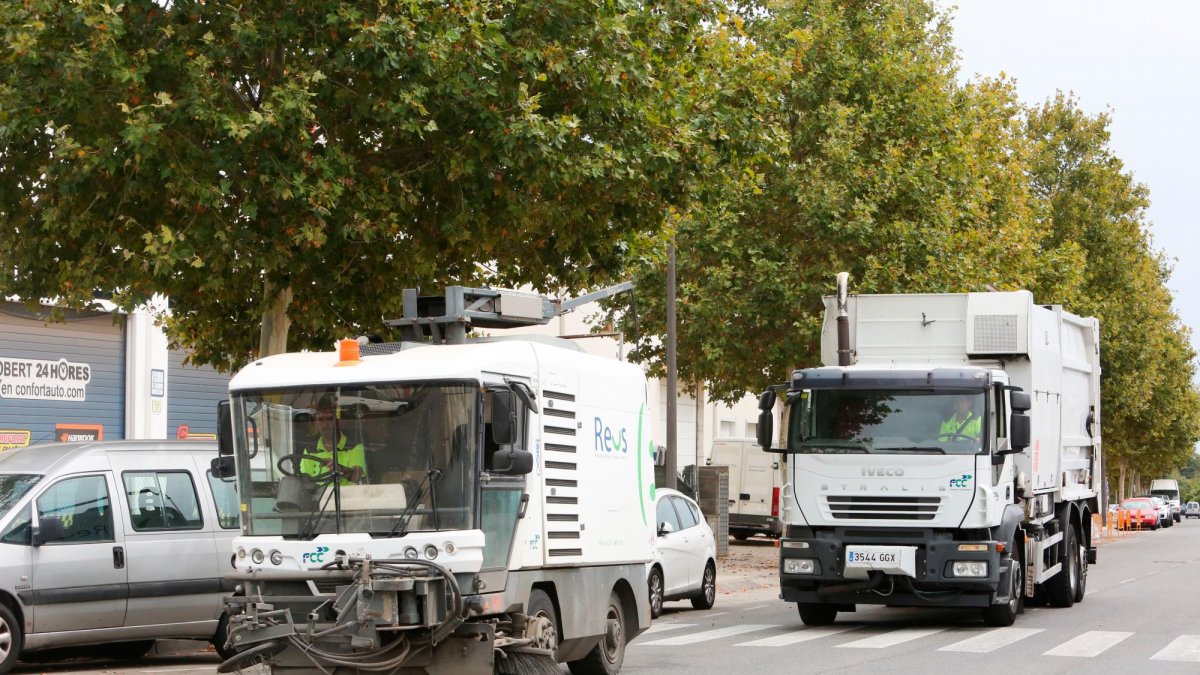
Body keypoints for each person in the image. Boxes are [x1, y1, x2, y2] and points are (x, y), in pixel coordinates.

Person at [300, 394, 368, 485]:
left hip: (346, 498)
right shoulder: (309, 449)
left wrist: (339, 469)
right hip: (318, 499)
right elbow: (304, 481)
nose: (325, 424)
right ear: (316, 422)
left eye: (329, 418)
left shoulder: (354, 446)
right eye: (320, 419)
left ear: (338, 421)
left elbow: (357, 475)